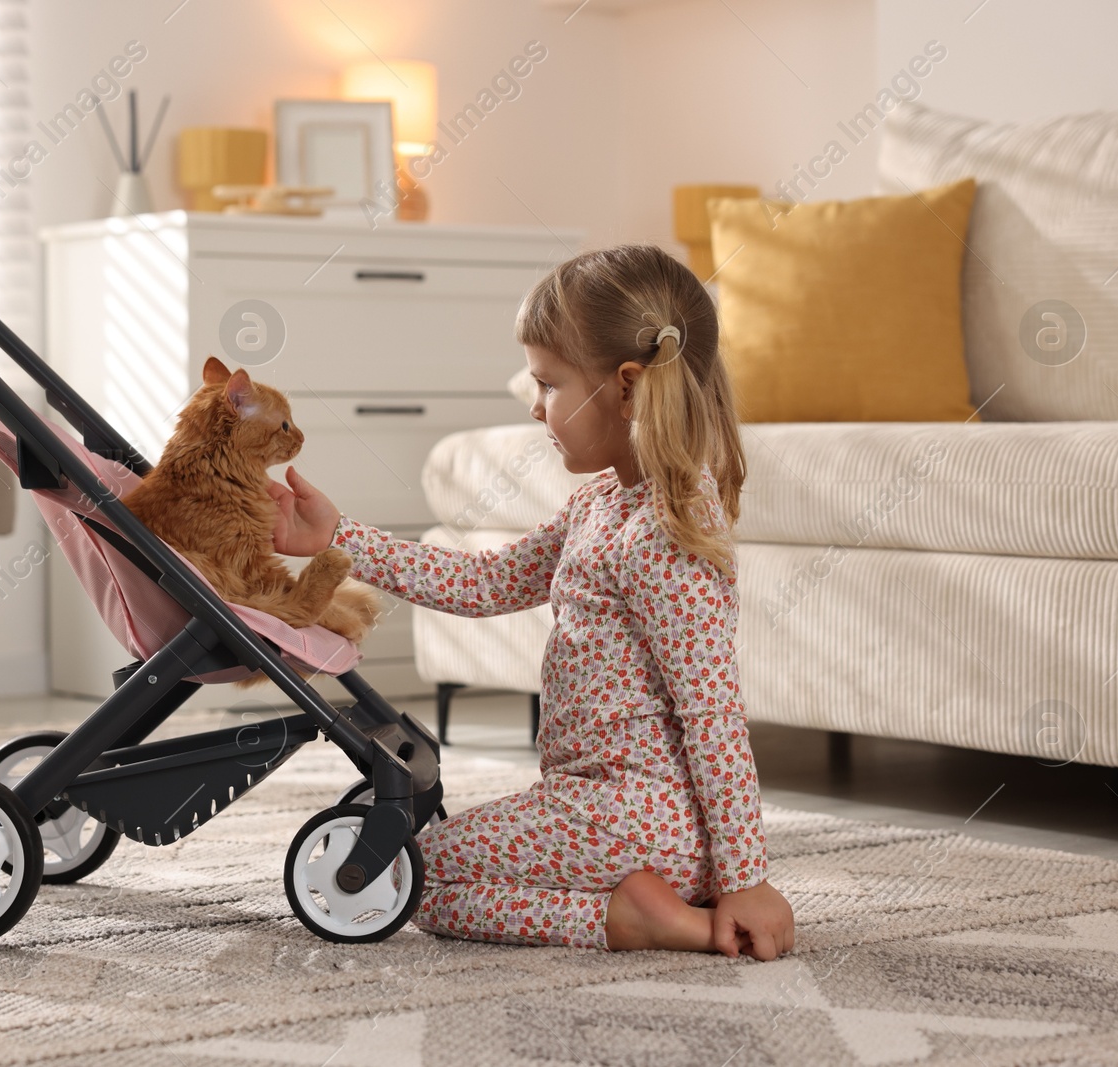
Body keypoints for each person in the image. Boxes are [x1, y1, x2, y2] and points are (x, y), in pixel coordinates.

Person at [267, 244, 795, 959]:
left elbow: (713, 715)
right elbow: (483, 583)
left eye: (548, 383)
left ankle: (658, 922)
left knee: (409, 872)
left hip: (636, 818)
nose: (532, 400)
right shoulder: (601, 506)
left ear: (628, 387)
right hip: (604, 810)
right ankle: (633, 905)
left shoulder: (665, 533)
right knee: (421, 875)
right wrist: (338, 536)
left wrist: (746, 878)